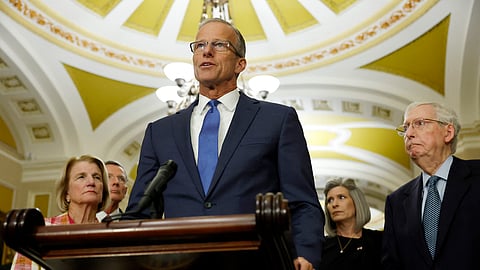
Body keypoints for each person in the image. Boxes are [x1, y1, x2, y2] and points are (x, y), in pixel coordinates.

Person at [126, 18, 324, 270]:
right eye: (199, 45)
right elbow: (141, 212)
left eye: (219, 44)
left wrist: (306, 255)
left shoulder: (277, 120)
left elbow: (302, 202)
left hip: (257, 261)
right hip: (180, 264)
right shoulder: (160, 132)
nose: (206, 51)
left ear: (240, 64)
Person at [382, 101, 480, 270]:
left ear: (448, 132)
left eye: (419, 123)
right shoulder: (396, 201)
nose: (409, 134)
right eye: (405, 128)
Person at [10, 154, 109, 270]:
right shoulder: (40, 230)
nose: (91, 182)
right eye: (81, 177)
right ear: (67, 193)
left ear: (103, 191)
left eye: (97, 177)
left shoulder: (110, 237)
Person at [319, 178, 383, 270]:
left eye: (341, 197)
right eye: (330, 200)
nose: (334, 204)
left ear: (356, 202)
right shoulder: (322, 246)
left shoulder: (379, 240)